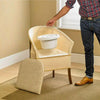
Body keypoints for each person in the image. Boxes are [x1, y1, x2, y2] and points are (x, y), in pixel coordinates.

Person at [46, 0, 100, 86]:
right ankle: (89, 76)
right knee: (88, 49)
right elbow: (68, 6)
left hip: (98, 20)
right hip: (84, 22)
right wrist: (54, 19)